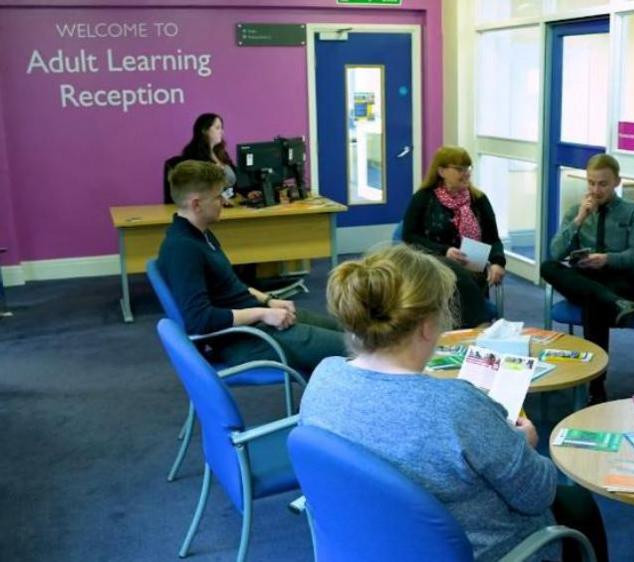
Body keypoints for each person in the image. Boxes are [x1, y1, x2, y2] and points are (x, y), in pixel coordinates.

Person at [299, 244, 607, 562]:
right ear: (427, 325)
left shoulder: (324, 377)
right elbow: (537, 494)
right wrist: (525, 444)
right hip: (482, 551)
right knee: (577, 505)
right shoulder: (457, 408)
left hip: (368, 543)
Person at [156, 160, 347, 375]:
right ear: (196, 204)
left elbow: (232, 284)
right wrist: (262, 314)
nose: (224, 201)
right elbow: (199, 321)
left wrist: (269, 301)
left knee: (349, 333)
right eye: (218, 196)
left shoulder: (201, 233)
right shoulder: (183, 249)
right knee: (354, 348)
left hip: (255, 325)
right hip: (243, 340)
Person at [540, 154, 634, 404]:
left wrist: (607, 259)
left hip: (622, 279)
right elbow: (556, 252)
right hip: (588, 278)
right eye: (591, 183)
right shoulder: (576, 211)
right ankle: (614, 303)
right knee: (548, 267)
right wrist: (579, 220)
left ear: (617, 182)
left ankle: (596, 386)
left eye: (603, 184)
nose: (595, 190)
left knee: (593, 302)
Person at [402, 145, 505, 328]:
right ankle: (478, 325)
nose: (466, 174)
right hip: (434, 265)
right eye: (459, 169)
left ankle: (470, 328)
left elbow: (493, 238)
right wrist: (445, 250)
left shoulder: (479, 199)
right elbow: (409, 236)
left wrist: (498, 262)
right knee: (452, 273)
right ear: (441, 171)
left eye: (468, 168)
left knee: (464, 277)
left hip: (474, 268)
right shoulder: (424, 198)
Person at [179, 113, 240, 204]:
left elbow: (235, 183)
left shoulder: (222, 153)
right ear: (204, 130)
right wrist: (218, 199)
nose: (222, 132)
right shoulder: (192, 156)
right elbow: (195, 190)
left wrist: (247, 193)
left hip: (228, 205)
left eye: (222, 128)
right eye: (217, 128)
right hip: (206, 209)